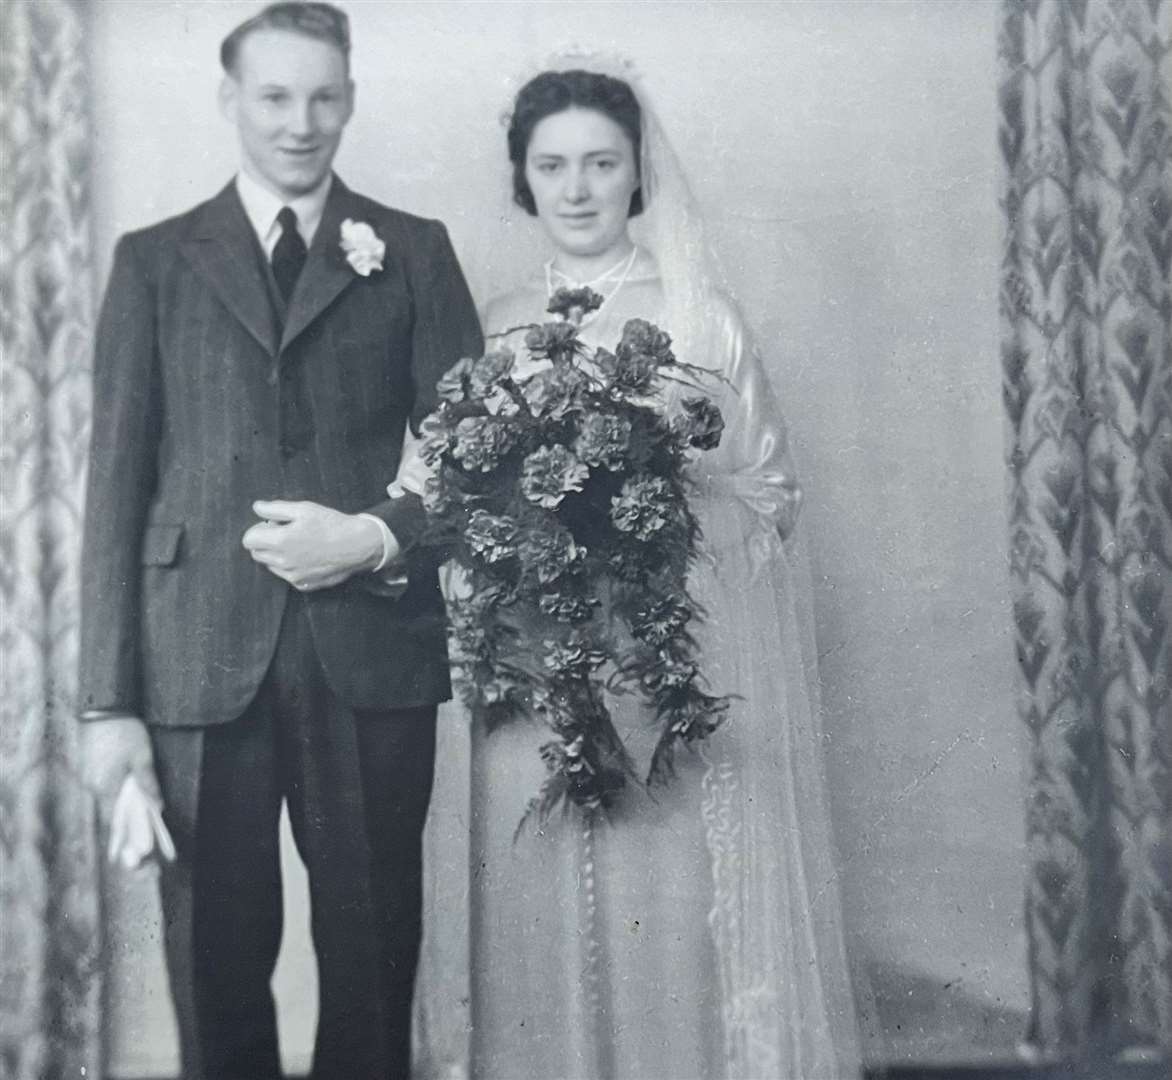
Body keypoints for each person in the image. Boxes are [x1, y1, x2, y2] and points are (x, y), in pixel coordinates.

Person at [413, 66, 866, 1079]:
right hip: (531, 658)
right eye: (552, 166)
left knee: (656, 905)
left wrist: (654, 502)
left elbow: (769, 496)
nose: (576, 189)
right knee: (532, 891)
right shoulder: (492, 323)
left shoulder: (701, 321)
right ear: (523, 180)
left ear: (635, 175)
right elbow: (442, 490)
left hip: (661, 659)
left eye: (600, 163)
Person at [76, 4, 482, 1078]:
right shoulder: (155, 262)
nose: (301, 122)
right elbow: (113, 490)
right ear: (230, 100)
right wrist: (106, 704)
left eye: (323, 96)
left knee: (372, 947)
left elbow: (476, 466)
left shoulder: (415, 252)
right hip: (192, 662)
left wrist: (371, 537)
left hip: (370, 654)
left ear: (348, 98)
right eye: (274, 96)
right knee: (211, 953)